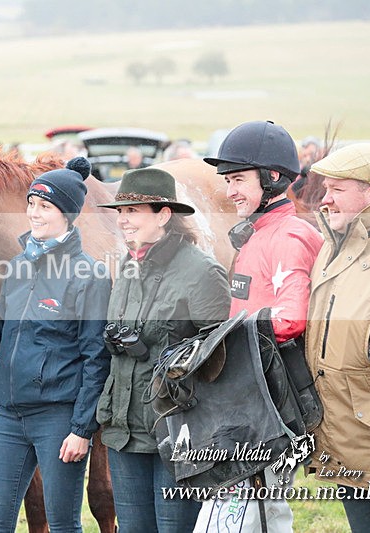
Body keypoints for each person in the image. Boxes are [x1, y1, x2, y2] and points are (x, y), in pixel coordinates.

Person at [0, 157, 112, 532]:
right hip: (8, 414)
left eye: (45, 207)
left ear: (68, 215)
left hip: (57, 417)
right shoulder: (19, 266)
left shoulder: (89, 276)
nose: (34, 214)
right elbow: (3, 330)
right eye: (31, 204)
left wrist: (82, 429)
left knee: (63, 523)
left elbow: (96, 358)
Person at [197, 120, 323, 532]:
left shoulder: (289, 234)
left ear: (271, 178)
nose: (229, 190)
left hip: (272, 400)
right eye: (227, 180)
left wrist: (220, 341)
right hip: (246, 392)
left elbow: (290, 318)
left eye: (237, 179)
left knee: (259, 517)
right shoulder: (256, 234)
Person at [95, 168, 231, 532]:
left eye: (134, 211)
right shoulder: (126, 265)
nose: (123, 220)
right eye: (121, 212)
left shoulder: (202, 271)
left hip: (177, 430)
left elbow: (220, 360)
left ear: (164, 214)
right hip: (124, 428)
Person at [304, 143, 370, 533]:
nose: (326, 200)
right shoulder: (332, 245)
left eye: (337, 189)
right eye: (325, 189)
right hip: (344, 444)